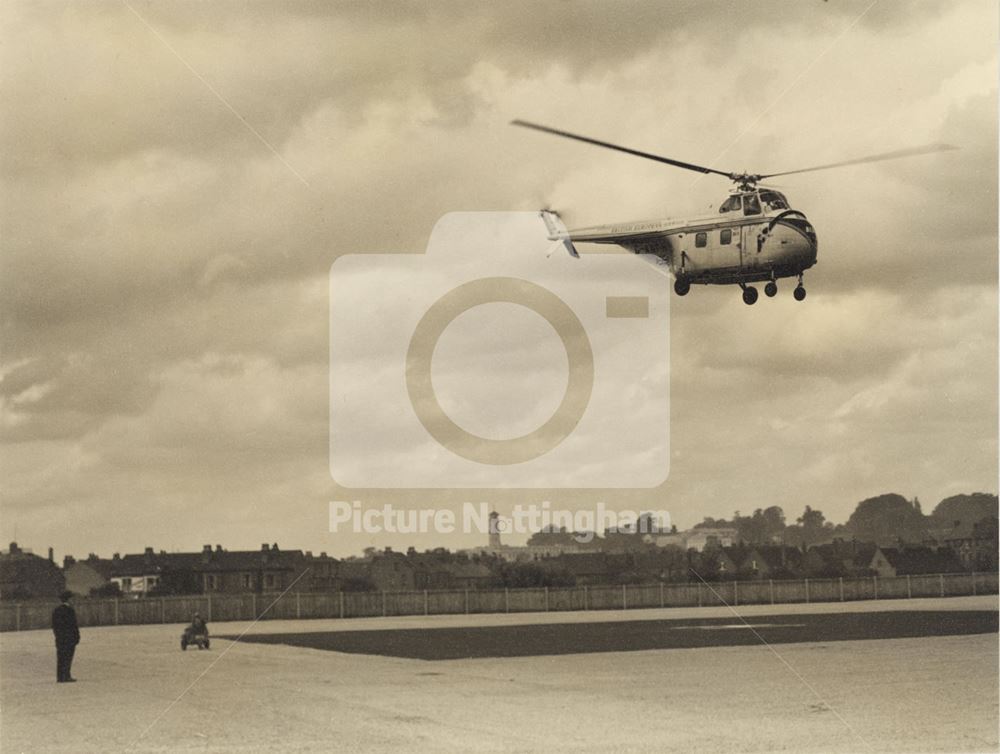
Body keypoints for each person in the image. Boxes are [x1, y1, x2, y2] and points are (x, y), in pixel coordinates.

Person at [51, 590, 80, 683]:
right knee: (68, 657)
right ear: (69, 599)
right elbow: (73, 625)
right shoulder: (70, 610)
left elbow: (54, 625)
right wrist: (77, 636)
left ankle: (60, 677)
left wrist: (58, 636)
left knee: (60, 657)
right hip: (69, 638)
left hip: (60, 638)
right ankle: (66, 675)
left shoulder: (56, 610)